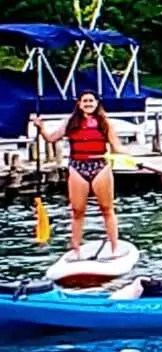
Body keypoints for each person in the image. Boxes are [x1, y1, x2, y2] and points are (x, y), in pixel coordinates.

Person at [32, 92, 125, 259]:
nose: (88, 103)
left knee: (107, 209)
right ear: (79, 103)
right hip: (77, 167)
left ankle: (114, 247)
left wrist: (132, 157)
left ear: (97, 103)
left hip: (100, 167)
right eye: (85, 101)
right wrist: (41, 128)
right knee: (77, 211)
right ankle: (76, 249)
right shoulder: (71, 122)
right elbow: (51, 138)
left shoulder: (105, 123)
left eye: (91, 101)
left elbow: (117, 147)